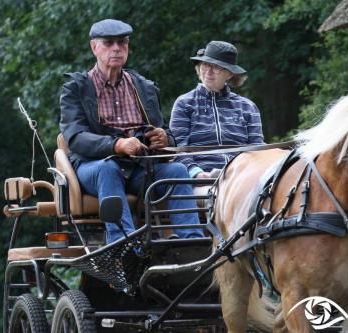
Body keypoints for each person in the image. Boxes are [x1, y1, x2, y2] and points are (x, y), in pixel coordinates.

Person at [59, 19, 203, 243]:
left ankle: (193, 243)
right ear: (93, 47)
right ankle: (123, 244)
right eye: (108, 43)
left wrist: (164, 138)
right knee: (109, 168)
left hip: (139, 169)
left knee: (176, 171)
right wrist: (116, 145)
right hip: (93, 167)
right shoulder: (76, 88)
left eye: (122, 42)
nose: (116, 48)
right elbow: (76, 138)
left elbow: (165, 133)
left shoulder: (144, 87)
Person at [169, 41, 264, 179]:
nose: (209, 71)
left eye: (217, 67)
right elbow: (179, 149)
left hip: (241, 178)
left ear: (230, 74)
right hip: (201, 178)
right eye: (205, 64)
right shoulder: (184, 103)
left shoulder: (248, 107)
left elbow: (257, 149)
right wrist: (197, 173)